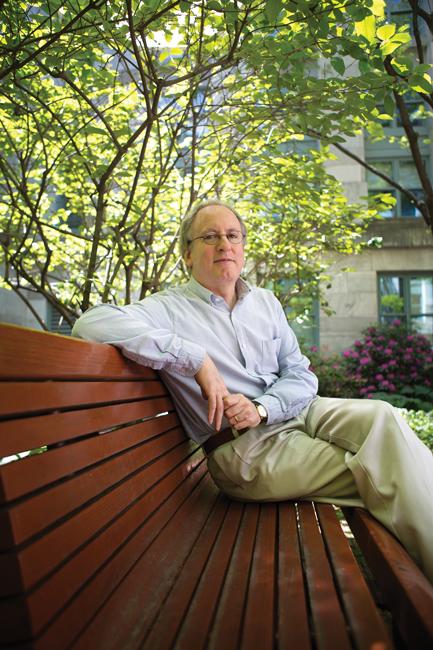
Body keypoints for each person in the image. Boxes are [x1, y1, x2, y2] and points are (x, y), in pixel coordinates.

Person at [72, 199, 433, 584]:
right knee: (391, 468)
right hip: (245, 450)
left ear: (243, 248)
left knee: (381, 416)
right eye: (210, 236)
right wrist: (195, 359)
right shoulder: (167, 309)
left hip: (295, 413)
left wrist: (263, 407)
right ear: (187, 255)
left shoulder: (264, 302)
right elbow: (91, 323)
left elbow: (300, 374)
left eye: (233, 236)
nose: (224, 244)